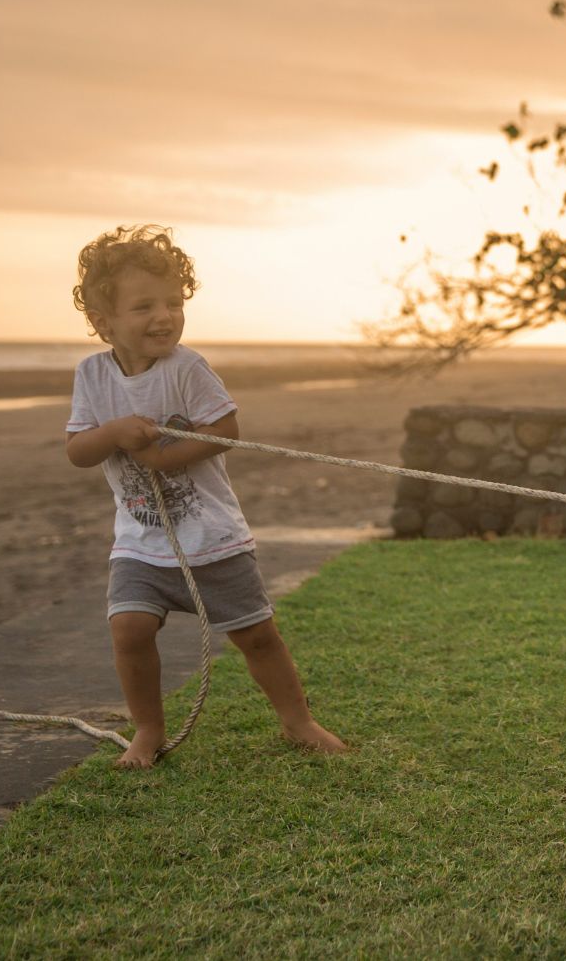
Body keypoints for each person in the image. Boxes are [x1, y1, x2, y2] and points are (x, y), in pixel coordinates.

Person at [64, 224, 346, 768]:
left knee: (257, 636)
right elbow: (78, 450)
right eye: (143, 306)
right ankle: (147, 731)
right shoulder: (92, 376)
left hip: (212, 538)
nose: (163, 316)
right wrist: (116, 432)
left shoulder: (187, 368)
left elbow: (226, 427)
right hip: (140, 541)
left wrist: (162, 458)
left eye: (172, 302)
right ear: (103, 323)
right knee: (129, 630)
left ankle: (298, 721)